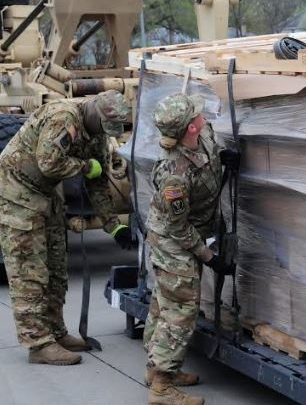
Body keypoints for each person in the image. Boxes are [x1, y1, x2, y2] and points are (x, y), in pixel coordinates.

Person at [0, 90, 132, 366]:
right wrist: (86, 167)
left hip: (46, 195)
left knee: (57, 267)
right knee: (30, 271)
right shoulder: (63, 117)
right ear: (95, 111)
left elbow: (98, 180)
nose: (105, 133)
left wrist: (112, 225)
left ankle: (56, 332)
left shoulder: (96, 131)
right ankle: (38, 344)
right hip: (17, 193)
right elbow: (48, 164)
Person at [143, 93, 233, 405]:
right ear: (189, 129)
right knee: (180, 311)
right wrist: (209, 257)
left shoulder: (200, 134)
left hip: (181, 233)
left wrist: (224, 160)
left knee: (164, 303)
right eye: (197, 115)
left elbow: (210, 147)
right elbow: (178, 228)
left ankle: (155, 368)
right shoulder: (173, 175)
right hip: (172, 243)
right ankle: (163, 387)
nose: (202, 116)